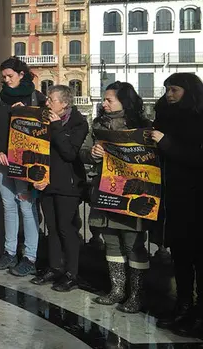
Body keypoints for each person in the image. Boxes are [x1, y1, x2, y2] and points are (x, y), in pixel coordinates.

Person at [81, 81, 152, 313]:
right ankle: (117, 290)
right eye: (104, 99)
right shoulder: (98, 125)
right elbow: (84, 152)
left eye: (109, 99)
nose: (104, 103)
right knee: (111, 240)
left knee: (133, 244)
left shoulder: (143, 126)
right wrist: (93, 153)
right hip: (106, 190)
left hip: (134, 195)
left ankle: (136, 295)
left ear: (124, 101)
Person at [151, 73, 203, 334]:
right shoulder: (165, 116)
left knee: (198, 258)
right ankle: (182, 306)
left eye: (174, 90)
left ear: (189, 91)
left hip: (196, 198)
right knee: (180, 257)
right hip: (173, 198)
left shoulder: (198, 118)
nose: (169, 94)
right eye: (167, 90)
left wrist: (167, 143)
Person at [0, 57, 46, 277]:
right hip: (2, 161)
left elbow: (44, 127)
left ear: (21, 75)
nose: (6, 80)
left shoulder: (36, 98)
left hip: (26, 165)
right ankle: (10, 252)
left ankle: (30, 256)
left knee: (26, 207)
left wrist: (28, 112)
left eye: (10, 76)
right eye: (4, 77)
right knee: (8, 206)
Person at [29, 85, 88, 292]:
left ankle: (72, 273)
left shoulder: (78, 123)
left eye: (51, 100)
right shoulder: (44, 119)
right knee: (52, 227)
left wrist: (56, 127)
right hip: (46, 181)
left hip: (68, 184)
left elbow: (69, 153)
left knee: (66, 228)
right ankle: (54, 267)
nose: (47, 103)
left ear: (64, 104)